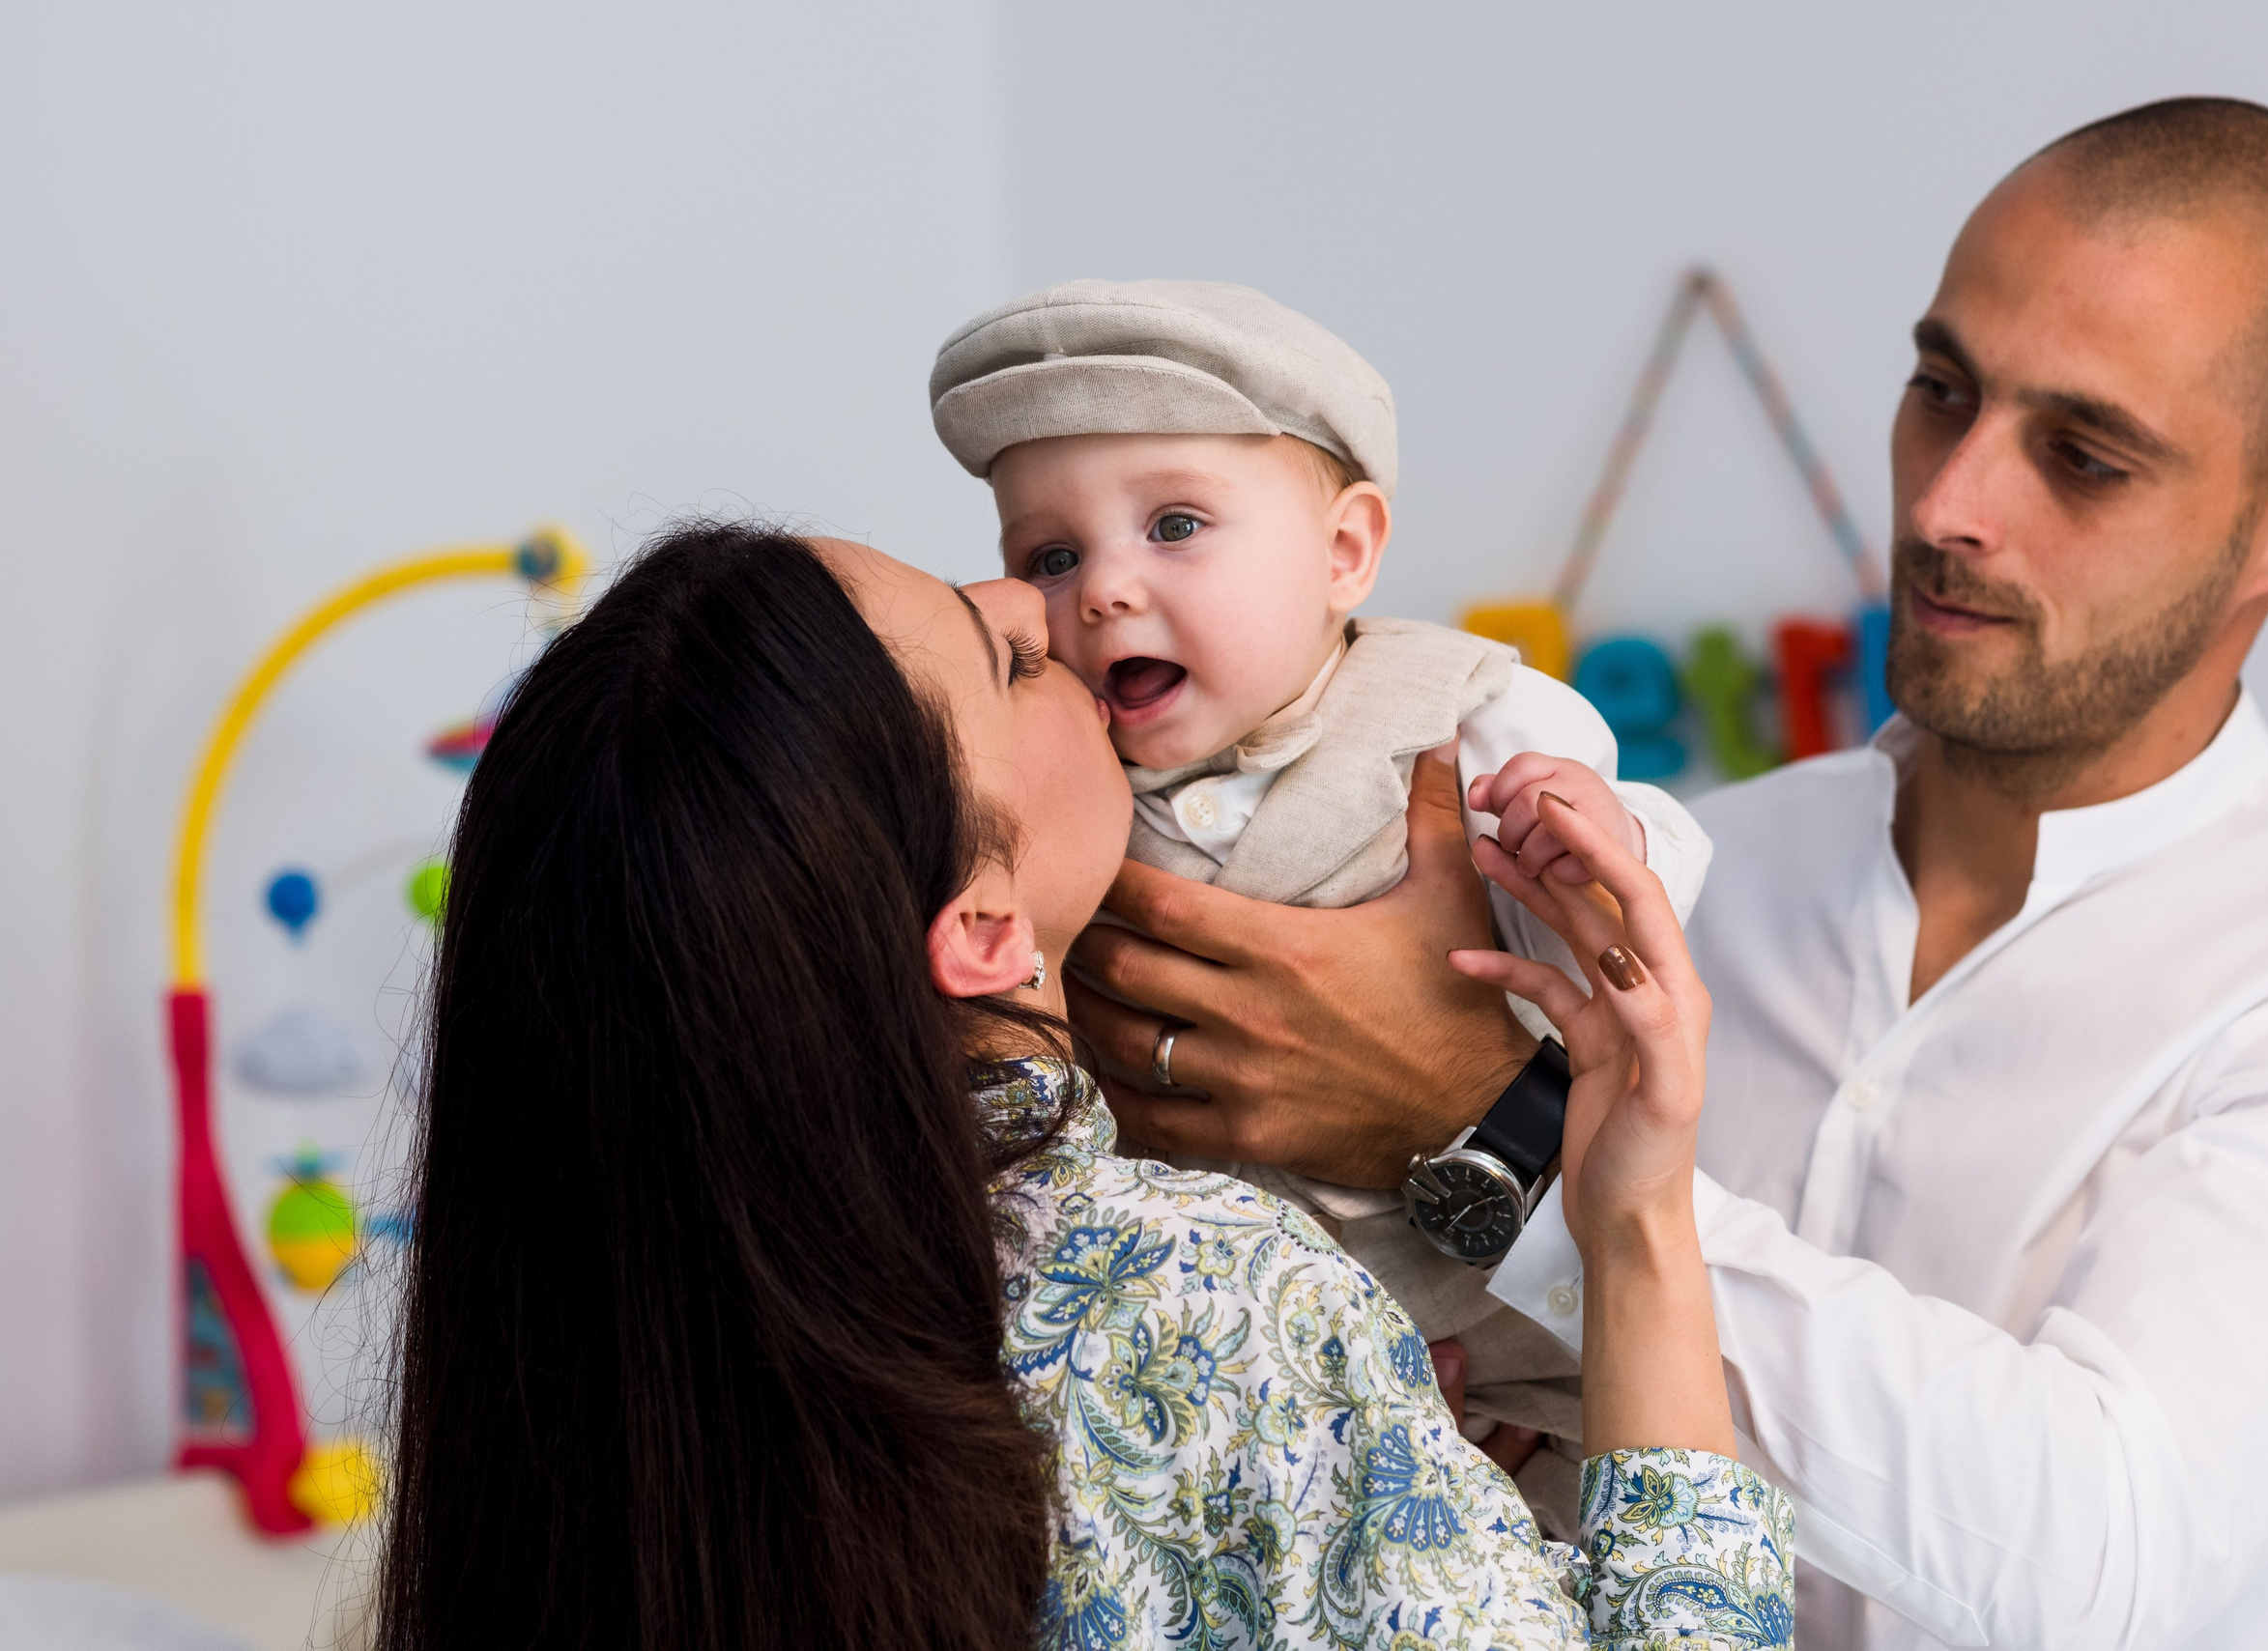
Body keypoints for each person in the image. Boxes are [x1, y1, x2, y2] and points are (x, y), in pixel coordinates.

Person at [1067, 97, 2268, 1650]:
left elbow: (2104, 1549)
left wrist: (1493, 1140)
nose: (1949, 506)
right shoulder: (1676, 863)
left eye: (2082, 455)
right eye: (1941, 389)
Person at [374, 519, 1792, 1650]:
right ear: (985, 927)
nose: (1038, 598)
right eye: (1000, 667)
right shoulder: (1203, 1296)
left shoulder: (582, 1389)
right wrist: (1635, 1221)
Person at [928, 277, 1713, 1517]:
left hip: (1510, 1339)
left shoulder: (1457, 721)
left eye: (1174, 524)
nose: (1104, 591)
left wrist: (1595, 849)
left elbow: (1641, 881)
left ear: (1344, 551)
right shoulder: (1066, 790)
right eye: (1054, 555)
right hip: (1247, 1399)